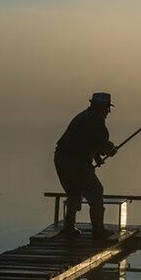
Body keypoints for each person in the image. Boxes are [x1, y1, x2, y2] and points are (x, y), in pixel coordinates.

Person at [54, 92, 117, 239]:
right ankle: (98, 230)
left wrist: (95, 157)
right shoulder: (96, 120)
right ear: (102, 107)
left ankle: (69, 228)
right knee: (96, 190)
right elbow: (102, 144)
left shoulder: (83, 116)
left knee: (73, 192)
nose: (108, 112)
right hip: (75, 161)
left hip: (61, 158)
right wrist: (111, 149)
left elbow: (87, 140)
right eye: (108, 108)